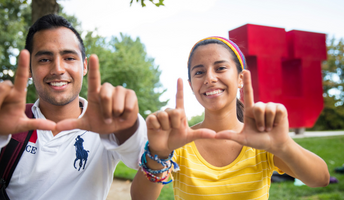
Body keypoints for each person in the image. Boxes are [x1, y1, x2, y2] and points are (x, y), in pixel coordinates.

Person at [0, 14, 147, 200]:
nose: (58, 69)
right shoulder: (9, 120)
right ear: (30, 69)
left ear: (84, 66)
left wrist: (126, 128)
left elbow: (142, 156)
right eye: (44, 59)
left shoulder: (106, 124)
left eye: (69, 58)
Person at [130, 36, 330, 199]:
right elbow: (140, 198)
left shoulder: (262, 141)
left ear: (240, 78)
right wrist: (159, 152)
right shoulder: (180, 142)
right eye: (199, 72)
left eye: (220, 68)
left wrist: (283, 145)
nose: (210, 78)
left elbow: (320, 179)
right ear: (191, 86)